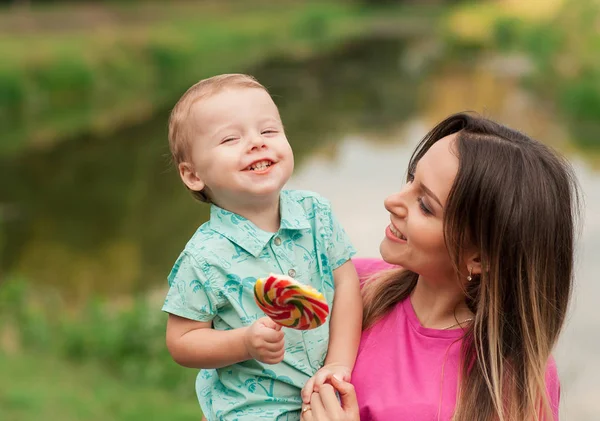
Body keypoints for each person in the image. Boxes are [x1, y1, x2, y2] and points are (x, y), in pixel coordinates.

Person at [300, 113, 578, 421]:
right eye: (411, 179)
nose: (392, 200)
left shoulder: (518, 378)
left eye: (425, 205)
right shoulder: (351, 283)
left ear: (480, 258)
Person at [161, 74, 362, 421]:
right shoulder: (205, 257)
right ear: (193, 175)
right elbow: (182, 341)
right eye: (230, 138)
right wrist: (243, 343)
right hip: (252, 410)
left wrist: (339, 364)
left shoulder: (317, 214)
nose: (256, 143)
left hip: (326, 393)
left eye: (268, 131)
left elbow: (346, 285)